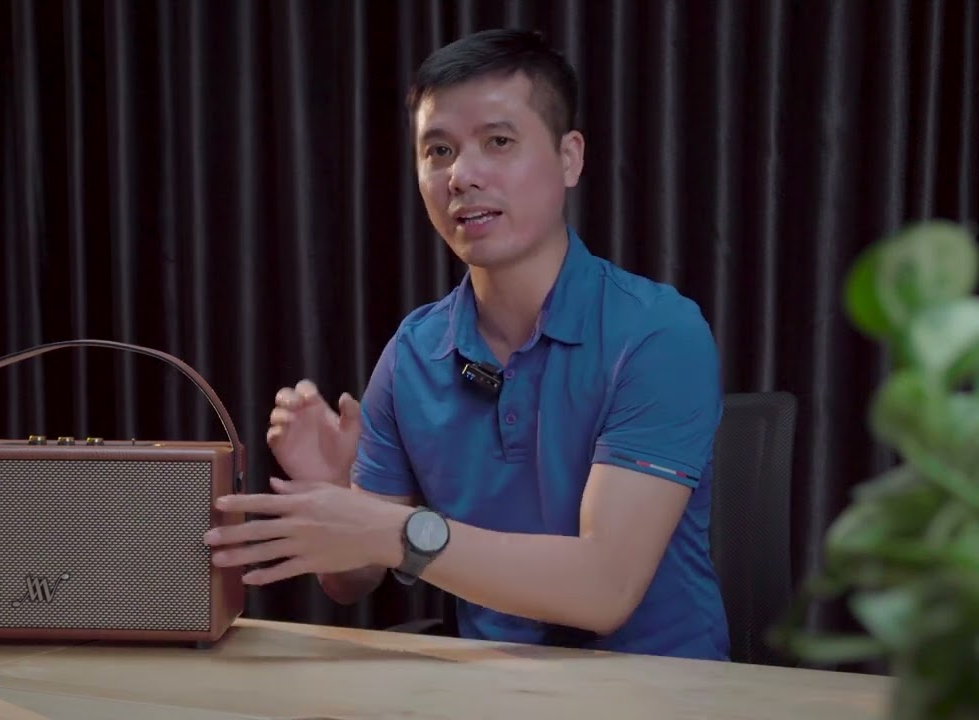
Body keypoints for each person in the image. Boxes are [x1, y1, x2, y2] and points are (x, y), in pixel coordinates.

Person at [204, 28, 730, 661]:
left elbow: (604, 590)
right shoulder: (413, 352)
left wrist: (397, 531)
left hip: (660, 688)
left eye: (498, 142)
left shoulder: (658, 333)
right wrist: (337, 495)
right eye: (439, 151)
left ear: (569, 158)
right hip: (485, 685)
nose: (461, 176)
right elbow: (351, 583)